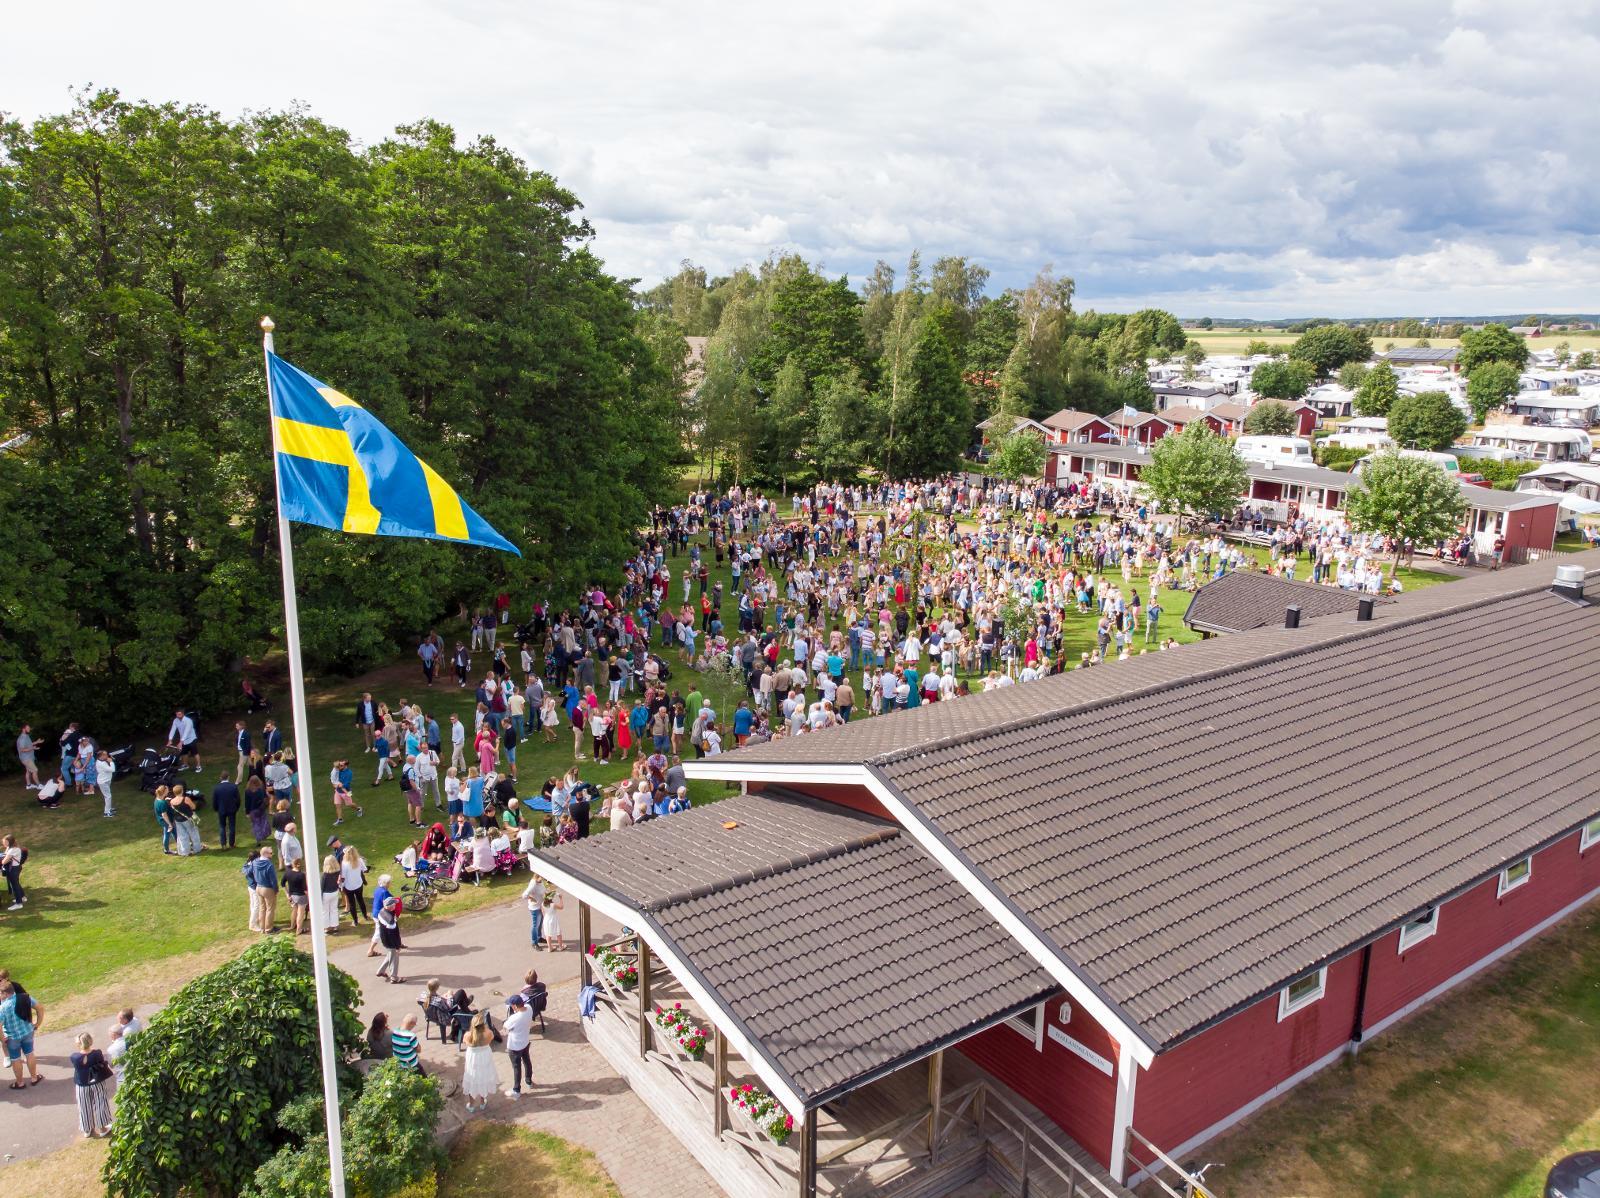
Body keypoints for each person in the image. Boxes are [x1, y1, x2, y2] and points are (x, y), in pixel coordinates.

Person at [69, 1032, 113, 1138]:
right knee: (100, 1103)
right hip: (96, 1082)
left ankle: (87, 1129)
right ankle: (102, 1128)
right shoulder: (97, 1053)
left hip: (81, 1084)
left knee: (83, 1106)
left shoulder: (74, 1057)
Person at [0, 979, 42, 1088]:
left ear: (5, 993)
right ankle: (34, 1078)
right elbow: (40, 1008)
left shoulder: (2, 1008)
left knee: (15, 1059)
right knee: (30, 1054)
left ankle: (20, 1083)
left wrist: (2, 1038)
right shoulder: (25, 997)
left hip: (12, 1038)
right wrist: (37, 1023)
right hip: (27, 1032)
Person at [460, 1011, 496, 1113]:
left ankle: (471, 1105)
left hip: (473, 1058)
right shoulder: (488, 1033)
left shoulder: (468, 1035)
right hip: (485, 1056)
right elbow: (491, 1039)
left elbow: (465, 1042)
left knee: (472, 1079)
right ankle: (482, 1102)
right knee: (484, 1078)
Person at [502, 993, 533, 1099]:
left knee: (516, 1067)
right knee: (527, 1061)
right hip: (525, 1041)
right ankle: (528, 1081)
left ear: (514, 1006)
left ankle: (516, 1090)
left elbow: (505, 1027)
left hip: (515, 1046)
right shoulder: (529, 1008)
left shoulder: (514, 1018)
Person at [374, 896, 403, 984]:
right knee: (394, 958)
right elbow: (393, 934)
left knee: (391, 954)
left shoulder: (381, 912)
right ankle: (394, 977)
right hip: (391, 941)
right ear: (390, 906)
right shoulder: (390, 919)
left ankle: (380, 971)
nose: (395, 906)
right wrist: (397, 945)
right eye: (394, 904)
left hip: (385, 939)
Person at [252, 845, 279, 933]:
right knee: (270, 908)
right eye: (271, 853)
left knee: (262, 908)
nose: (272, 854)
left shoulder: (255, 862)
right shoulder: (269, 865)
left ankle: (262, 928)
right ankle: (269, 928)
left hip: (258, 887)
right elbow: (273, 879)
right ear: (266, 854)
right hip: (267, 888)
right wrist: (276, 889)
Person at [340, 846, 368, 927]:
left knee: (352, 904)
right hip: (358, 884)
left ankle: (355, 921)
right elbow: (364, 869)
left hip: (349, 886)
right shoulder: (359, 860)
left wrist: (341, 885)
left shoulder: (344, 863)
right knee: (360, 900)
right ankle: (365, 916)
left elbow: (343, 876)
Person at [212, 772, 240, 849]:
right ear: (228, 777)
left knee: (222, 826)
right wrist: (236, 807)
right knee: (232, 826)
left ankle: (223, 844)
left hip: (221, 809)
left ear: (220, 778)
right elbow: (238, 800)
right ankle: (231, 844)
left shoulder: (217, 788)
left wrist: (216, 808)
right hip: (232, 809)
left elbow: (215, 800)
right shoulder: (233, 787)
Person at [167, 707, 199, 772]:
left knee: (195, 753)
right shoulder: (175, 720)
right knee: (184, 753)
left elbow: (186, 732)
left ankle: (198, 766)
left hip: (191, 739)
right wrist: (170, 740)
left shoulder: (188, 721)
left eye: (179, 714)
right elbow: (173, 730)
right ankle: (185, 765)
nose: (177, 716)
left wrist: (181, 742)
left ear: (183, 714)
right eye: (176, 714)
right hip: (183, 740)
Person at [284, 856, 309, 935]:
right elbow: (305, 889)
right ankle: (299, 929)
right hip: (301, 896)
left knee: (294, 911)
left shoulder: (288, 873)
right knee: (300, 913)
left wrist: (287, 893)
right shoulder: (302, 875)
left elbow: (282, 883)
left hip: (292, 896)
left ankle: (292, 926)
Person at [320, 854, 343, 932]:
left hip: (326, 894)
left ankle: (326, 927)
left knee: (325, 911)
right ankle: (335, 925)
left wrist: (320, 897)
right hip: (335, 892)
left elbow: (322, 887)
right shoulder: (337, 872)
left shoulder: (325, 875)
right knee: (334, 909)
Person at [2, 834, 25, 911]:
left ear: (9, 842)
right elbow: (6, 854)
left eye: (5, 842)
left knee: (14, 886)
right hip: (15, 868)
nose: (4, 844)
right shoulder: (10, 848)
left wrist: (2, 860)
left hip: (13, 869)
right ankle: (22, 897)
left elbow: (4, 861)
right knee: (16, 883)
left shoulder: (13, 850)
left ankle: (19, 904)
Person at [523, 874, 545, 948]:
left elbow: (542, 891)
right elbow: (524, 895)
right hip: (535, 908)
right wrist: (531, 898)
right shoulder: (533, 884)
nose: (543, 879)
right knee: (535, 925)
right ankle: (534, 942)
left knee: (540, 923)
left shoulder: (540, 882)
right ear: (537, 877)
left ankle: (539, 937)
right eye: (541, 877)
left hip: (540, 906)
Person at [16, 724, 40, 790]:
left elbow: (29, 744)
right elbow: (22, 749)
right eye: (28, 728)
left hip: (29, 757)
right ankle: (39, 785)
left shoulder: (26, 736)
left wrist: (37, 742)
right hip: (26, 758)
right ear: (23, 729)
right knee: (35, 770)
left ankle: (29, 785)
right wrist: (33, 749)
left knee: (28, 771)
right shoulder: (22, 738)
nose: (29, 729)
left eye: (29, 728)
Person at [95, 750, 116, 817]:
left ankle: (109, 808)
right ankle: (106, 812)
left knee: (108, 795)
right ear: (101, 756)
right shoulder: (101, 764)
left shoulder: (102, 761)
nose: (107, 756)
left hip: (106, 780)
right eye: (106, 755)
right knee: (108, 796)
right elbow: (112, 770)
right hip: (103, 782)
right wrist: (111, 762)